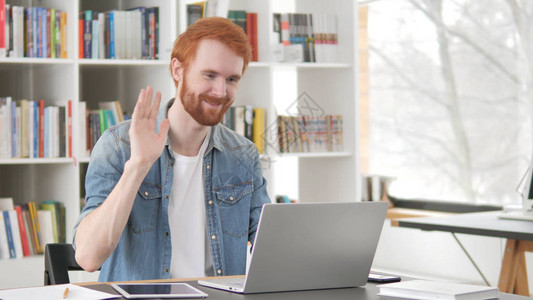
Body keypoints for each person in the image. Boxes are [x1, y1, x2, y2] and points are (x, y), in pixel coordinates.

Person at [73, 17, 271, 282]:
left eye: (232, 79)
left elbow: (273, 248)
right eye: (209, 75)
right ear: (178, 70)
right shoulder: (119, 145)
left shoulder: (243, 155)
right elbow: (88, 257)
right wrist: (139, 164)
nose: (221, 91)